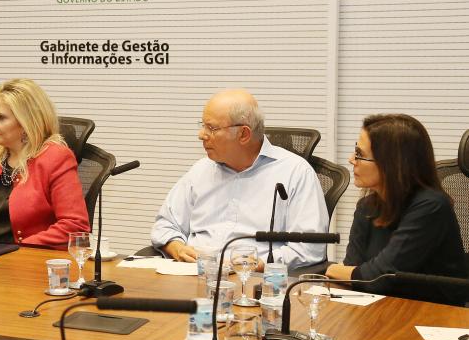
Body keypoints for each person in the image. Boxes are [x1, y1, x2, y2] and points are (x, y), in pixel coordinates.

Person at [150, 89, 329, 270]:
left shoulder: (295, 173)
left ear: (243, 134)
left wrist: (256, 264)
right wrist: (177, 248)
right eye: (202, 125)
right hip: (193, 275)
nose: (201, 135)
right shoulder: (201, 170)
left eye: (211, 128)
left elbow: (310, 248)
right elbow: (165, 224)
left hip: (256, 281)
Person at [326, 114, 467, 306]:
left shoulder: (431, 207)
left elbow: (379, 277)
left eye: (360, 154)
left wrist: (335, 269)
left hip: (435, 313)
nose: (351, 159)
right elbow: (355, 272)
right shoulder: (366, 206)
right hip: (381, 308)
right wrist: (347, 272)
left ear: (391, 164)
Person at [0, 78, 89, 249]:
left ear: (26, 122)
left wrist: (15, 250)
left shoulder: (56, 158)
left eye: (1, 117)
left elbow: (74, 225)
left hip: (26, 260)